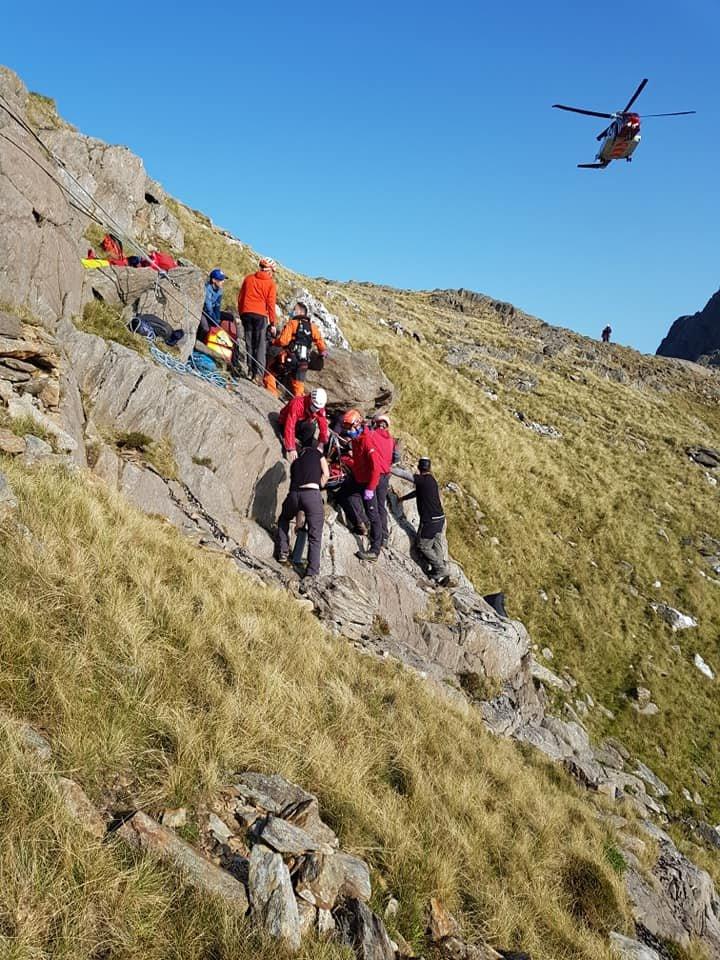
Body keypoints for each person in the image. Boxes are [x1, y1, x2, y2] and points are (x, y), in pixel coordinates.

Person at [275, 420, 329, 578]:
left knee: (284, 518)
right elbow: (326, 473)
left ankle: (283, 551)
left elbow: (297, 495)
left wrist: (298, 522)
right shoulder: (318, 454)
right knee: (315, 535)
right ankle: (312, 573)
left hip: (295, 495)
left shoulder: (295, 462)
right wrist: (319, 485)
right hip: (312, 494)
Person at [339, 409, 383, 562]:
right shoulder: (356, 439)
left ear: (357, 424)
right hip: (358, 478)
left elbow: (375, 468)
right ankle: (359, 523)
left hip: (368, 482)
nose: (348, 431)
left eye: (349, 428)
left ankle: (375, 550)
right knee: (343, 495)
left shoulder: (366, 441)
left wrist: (370, 489)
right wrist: (348, 461)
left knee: (374, 515)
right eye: (346, 428)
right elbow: (359, 461)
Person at [399, 457, 451, 586]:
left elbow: (404, 475)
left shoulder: (421, 480)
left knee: (423, 545)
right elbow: (418, 492)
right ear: (429, 468)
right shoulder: (431, 480)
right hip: (439, 518)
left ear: (419, 467)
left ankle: (440, 569)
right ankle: (440, 568)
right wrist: (404, 498)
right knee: (437, 543)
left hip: (430, 521)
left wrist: (387, 468)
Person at [264, 302, 329, 397]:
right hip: (304, 362)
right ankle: (299, 406)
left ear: (300, 312)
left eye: (294, 310)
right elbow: (320, 344)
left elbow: (283, 341)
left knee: (270, 372)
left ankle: (272, 396)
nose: (292, 312)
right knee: (299, 387)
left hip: (290, 358)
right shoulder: (313, 328)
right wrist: (322, 352)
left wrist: (273, 341)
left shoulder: (292, 323)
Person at [238, 257, 277, 383]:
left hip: (246, 313)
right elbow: (271, 304)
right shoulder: (270, 283)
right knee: (260, 345)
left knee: (249, 343)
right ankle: (258, 375)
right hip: (260, 315)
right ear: (270, 270)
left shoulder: (249, 278)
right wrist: (273, 323)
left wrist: (241, 313)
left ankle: (250, 370)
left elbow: (240, 297)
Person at [278, 387, 329, 462]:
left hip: (300, 424)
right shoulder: (297, 404)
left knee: (311, 427)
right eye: (315, 406)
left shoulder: (319, 407)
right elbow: (290, 425)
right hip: (284, 423)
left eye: (318, 407)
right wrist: (291, 448)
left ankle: (305, 451)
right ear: (311, 400)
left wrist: (322, 442)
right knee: (309, 426)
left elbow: (323, 424)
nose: (316, 409)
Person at [369, 413, 396, 548]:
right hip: (386, 475)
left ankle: (376, 536)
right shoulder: (391, 440)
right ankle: (385, 535)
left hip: (375, 474)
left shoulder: (372, 435)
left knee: (371, 504)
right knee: (381, 505)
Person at [201, 268, 227, 336]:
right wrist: (216, 322)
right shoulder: (207, 289)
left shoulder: (220, 290)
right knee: (205, 328)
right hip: (203, 312)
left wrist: (217, 319)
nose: (223, 281)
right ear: (213, 280)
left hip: (211, 312)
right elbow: (208, 308)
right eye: (221, 280)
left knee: (230, 317)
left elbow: (217, 307)